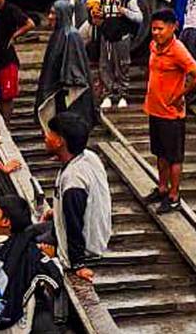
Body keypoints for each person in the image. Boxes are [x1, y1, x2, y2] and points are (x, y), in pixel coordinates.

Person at [143, 9, 196, 213]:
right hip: (155, 109)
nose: (156, 33)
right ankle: (162, 188)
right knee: (160, 153)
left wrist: (180, 95)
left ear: (173, 28)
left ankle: (174, 195)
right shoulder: (154, 46)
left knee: (174, 157)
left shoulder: (178, 50)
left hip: (171, 114)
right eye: (153, 28)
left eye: (160, 29)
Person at [42, 112, 111, 281]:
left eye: (51, 133)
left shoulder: (74, 179)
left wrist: (78, 264)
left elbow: (74, 222)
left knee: (25, 245)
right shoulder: (88, 156)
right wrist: (56, 211)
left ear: (60, 142)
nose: (46, 136)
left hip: (85, 246)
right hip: (96, 234)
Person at [0, 195, 63, 334]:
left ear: (6, 222)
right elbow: (56, 281)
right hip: (16, 325)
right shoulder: (33, 254)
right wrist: (51, 258)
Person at [35, 0, 95, 132]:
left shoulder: (71, 36)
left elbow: (75, 69)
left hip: (66, 92)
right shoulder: (57, 34)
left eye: (53, 13)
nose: (50, 17)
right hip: (56, 89)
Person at [94, 0, 143, 109]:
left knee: (123, 65)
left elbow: (139, 17)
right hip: (106, 37)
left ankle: (123, 95)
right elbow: (101, 17)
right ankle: (108, 95)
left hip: (122, 37)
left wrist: (125, 11)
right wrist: (97, 17)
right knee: (105, 66)